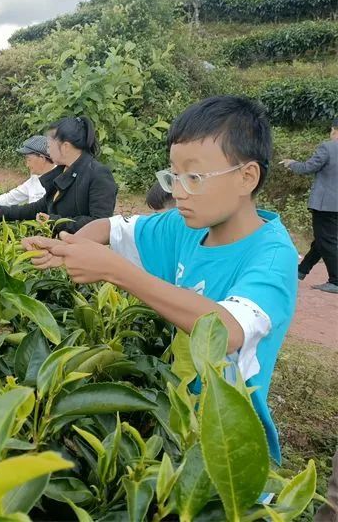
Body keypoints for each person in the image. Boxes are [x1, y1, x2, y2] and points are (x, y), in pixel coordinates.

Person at [23, 96, 297, 463]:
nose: (178, 191)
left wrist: (114, 270)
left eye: (195, 177)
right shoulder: (184, 226)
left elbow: (226, 329)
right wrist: (68, 248)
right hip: (176, 427)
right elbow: (113, 228)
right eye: (174, 175)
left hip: (230, 449)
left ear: (247, 177)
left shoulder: (272, 257)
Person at [0, 116, 117, 235]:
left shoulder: (98, 174)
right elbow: (39, 207)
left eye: (50, 146)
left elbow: (101, 223)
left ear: (65, 146)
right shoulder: (62, 172)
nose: (48, 152)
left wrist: (55, 222)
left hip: (81, 257)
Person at [280, 119, 338, 294]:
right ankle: (301, 270)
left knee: (327, 241)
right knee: (322, 239)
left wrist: (292, 164)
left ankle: (336, 280)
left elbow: (308, 167)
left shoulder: (328, 147)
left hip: (325, 204)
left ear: (335, 130)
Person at [0, 136, 59, 207]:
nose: (27, 165)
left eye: (29, 160)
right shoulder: (34, 180)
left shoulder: (63, 178)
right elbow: (8, 199)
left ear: (42, 158)